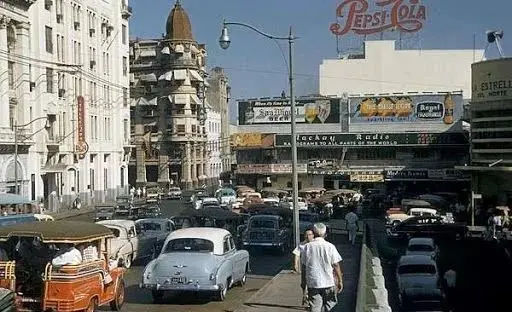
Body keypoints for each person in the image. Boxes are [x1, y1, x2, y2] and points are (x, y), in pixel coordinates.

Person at [301, 223, 343, 312]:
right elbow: (336, 265)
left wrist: (303, 283)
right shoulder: (330, 247)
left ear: (314, 233)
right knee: (330, 305)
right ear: (325, 234)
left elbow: (304, 266)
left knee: (315, 307)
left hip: (313, 282)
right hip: (328, 281)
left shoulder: (307, 247)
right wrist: (340, 281)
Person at [292, 228, 315, 306]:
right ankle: (304, 295)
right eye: (306, 235)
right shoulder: (301, 244)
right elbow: (297, 254)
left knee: (311, 284)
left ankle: (309, 300)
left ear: (313, 235)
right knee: (303, 283)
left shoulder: (316, 244)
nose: (308, 237)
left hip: (314, 267)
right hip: (305, 266)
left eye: (309, 235)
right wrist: (295, 264)